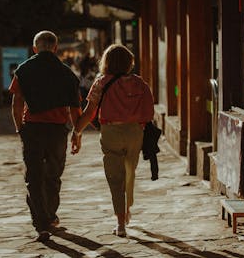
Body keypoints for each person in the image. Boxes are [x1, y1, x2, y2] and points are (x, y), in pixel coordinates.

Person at [71, 44, 154, 237]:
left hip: (111, 132)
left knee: (115, 177)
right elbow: (149, 111)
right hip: (134, 132)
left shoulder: (101, 83)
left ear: (106, 62)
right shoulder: (139, 83)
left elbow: (90, 111)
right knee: (129, 172)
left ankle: (120, 222)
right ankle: (126, 210)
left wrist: (77, 131)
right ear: (129, 62)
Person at [9, 30, 82, 242]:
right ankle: (50, 215)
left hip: (32, 128)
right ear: (55, 48)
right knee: (53, 174)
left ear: (35, 48)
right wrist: (77, 134)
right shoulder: (67, 73)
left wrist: (19, 128)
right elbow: (75, 109)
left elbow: (16, 104)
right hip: (57, 131)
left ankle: (40, 222)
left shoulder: (23, 70)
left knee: (34, 176)